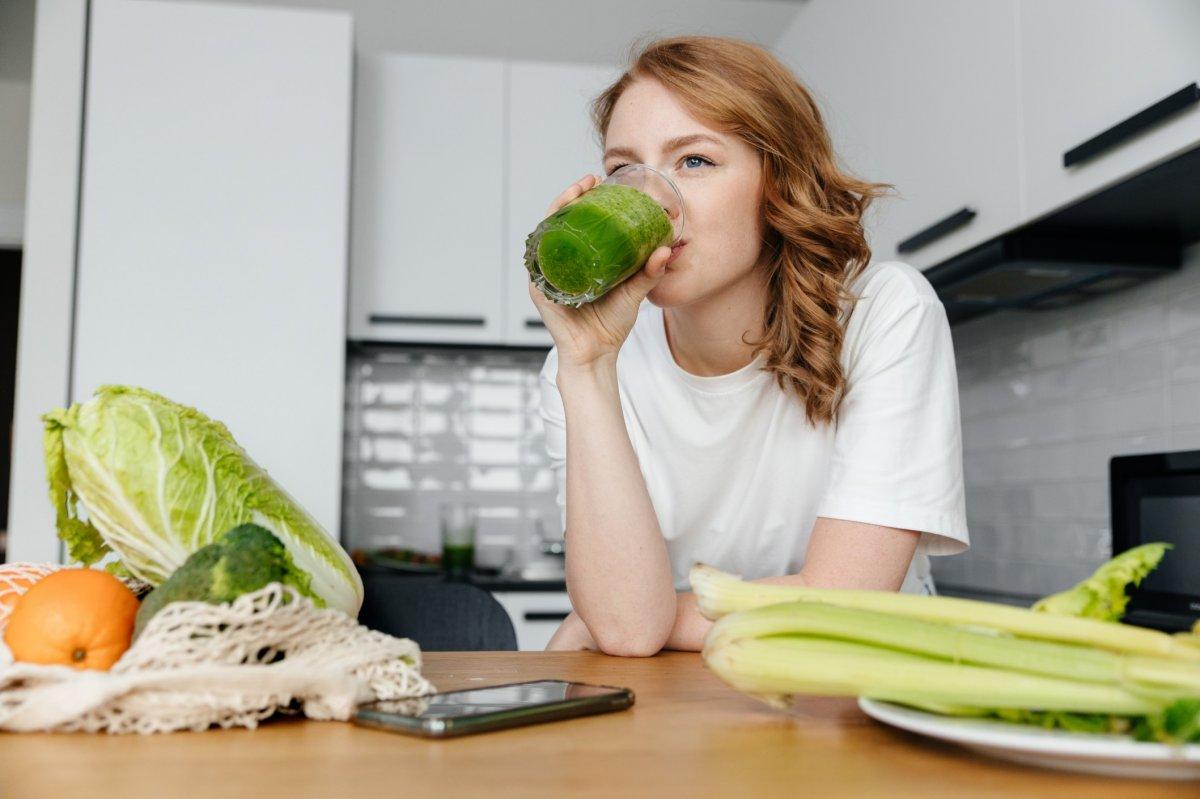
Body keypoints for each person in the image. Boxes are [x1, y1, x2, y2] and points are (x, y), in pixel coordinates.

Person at [528, 36, 969, 657]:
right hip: (681, 704)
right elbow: (629, 633)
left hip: (858, 685)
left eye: (695, 162)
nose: (649, 198)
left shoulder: (886, 311)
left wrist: (647, 618)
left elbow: (849, 603)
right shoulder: (580, 364)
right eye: (624, 170)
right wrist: (587, 366)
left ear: (778, 182)